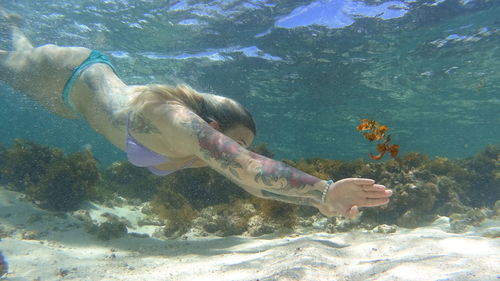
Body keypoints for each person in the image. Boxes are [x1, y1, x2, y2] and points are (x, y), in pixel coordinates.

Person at [0, 10, 392, 218]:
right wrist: (324, 188)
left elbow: (252, 184)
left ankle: (15, 26)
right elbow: (249, 168)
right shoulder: (173, 118)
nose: (238, 151)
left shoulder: (200, 147)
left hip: (69, 104)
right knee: (10, 66)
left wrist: (317, 204)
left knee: (17, 62)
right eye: (238, 142)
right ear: (212, 126)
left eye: (245, 147)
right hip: (68, 72)